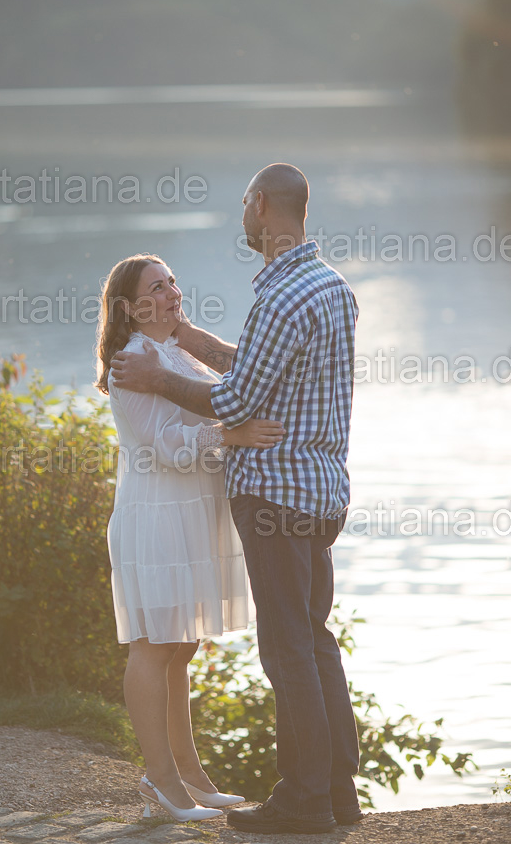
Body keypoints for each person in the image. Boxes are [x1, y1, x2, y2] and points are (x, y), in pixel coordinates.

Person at [110, 163, 363, 834]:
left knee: (288, 650)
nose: (242, 214)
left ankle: (304, 799)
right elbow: (254, 371)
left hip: (276, 494)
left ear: (261, 205)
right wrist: (187, 344)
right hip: (320, 492)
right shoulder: (329, 285)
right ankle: (337, 792)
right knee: (313, 641)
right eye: (157, 286)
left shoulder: (279, 297)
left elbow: (237, 397)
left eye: (245, 202)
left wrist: (162, 379)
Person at [95, 252, 285, 823]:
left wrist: (196, 344)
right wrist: (231, 435)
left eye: (172, 280)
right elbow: (163, 445)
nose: (173, 291)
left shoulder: (177, 351)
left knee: (182, 646)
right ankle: (161, 780)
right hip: (157, 515)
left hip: (191, 512)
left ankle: (191, 773)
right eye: (157, 286)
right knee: (154, 645)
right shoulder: (132, 361)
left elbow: (237, 383)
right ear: (131, 307)